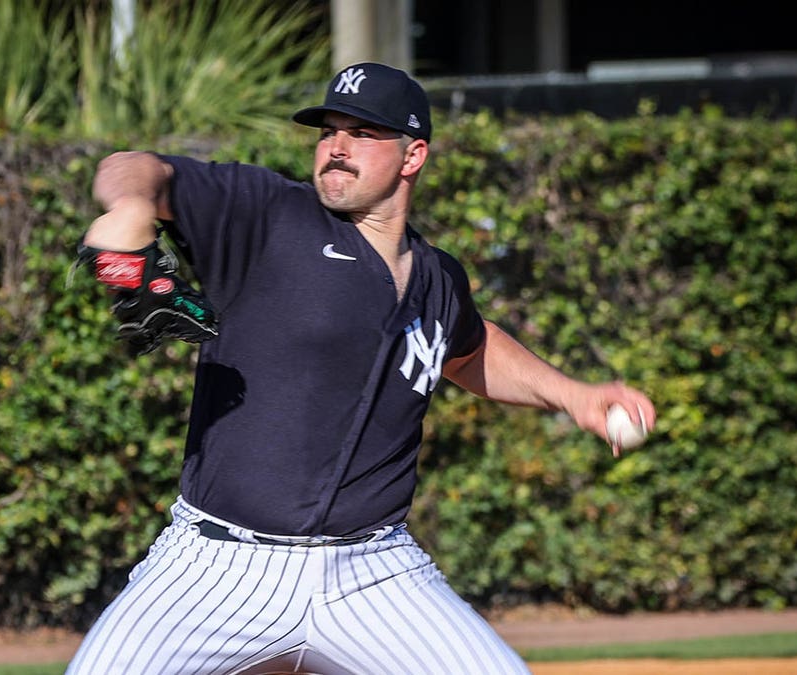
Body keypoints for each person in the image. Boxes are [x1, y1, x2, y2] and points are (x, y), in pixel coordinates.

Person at [65, 62, 656, 675]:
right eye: (328, 131)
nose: (336, 148)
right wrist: (132, 205)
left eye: (363, 132)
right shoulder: (266, 216)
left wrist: (572, 395)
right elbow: (132, 166)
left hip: (372, 573)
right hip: (217, 567)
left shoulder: (436, 277)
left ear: (412, 154)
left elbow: (470, 349)